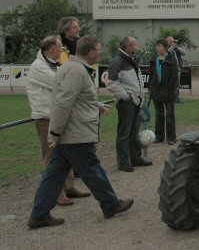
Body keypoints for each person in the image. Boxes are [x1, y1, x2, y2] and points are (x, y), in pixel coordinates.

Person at [27, 35, 134, 229]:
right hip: (75, 134)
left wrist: (97, 105)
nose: (101, 51)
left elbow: (75, 99)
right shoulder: (76, 70)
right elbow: (63, 103)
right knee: (91, 168)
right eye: (99, 48)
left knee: (54, 174)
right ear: (91, 51)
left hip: (69, 133)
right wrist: (55, 133)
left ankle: (39, 214)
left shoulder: (71, 68)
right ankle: (110, 204)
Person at [27, 35, 90, 206]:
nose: (63, 50)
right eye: (60, 46)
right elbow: (60, 83)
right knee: (50, 156)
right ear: (51, 48)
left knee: (64, 154)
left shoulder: (54, 64)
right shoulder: (39, 67)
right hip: (45, 117)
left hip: (56, 116)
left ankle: (69, 187)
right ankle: (57, 193)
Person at [107, 36, 151, 172]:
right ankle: (123, 161)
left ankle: (135, 158)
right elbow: (111, 83)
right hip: (127, 103)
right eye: (135, 45)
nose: (137, 48)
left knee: (133, 131)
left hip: (135, 101)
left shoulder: (130, 60)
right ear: (129, 46)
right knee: (124, 133)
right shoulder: (118, 62)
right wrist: (126, 96)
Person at [149, 38, 179, 145]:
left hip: (168, 92)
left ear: (165, 47)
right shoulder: (154, 59)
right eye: (157, 46)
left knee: (170, 114)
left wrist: (171, 89)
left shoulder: (172, 59)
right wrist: (151, 89)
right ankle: (159, 136)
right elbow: (152, 76)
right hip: (156, 91)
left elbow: (174, 76)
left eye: (160, 46)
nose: (158, 48)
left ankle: (171, 138)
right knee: (159, 114)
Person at [167, 36, 186, 103]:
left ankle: (177, 98)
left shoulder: (177, 48)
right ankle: (171, 97)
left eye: (173, 41)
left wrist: (177, 48)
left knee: (177, 84)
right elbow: (167, 52)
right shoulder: (167, 48)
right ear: (168, 42)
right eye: (171, 41)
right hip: (169, 69)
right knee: (171, 84)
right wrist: (172, 47)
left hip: (177, 69)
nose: (173, 42)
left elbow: (184, 53)